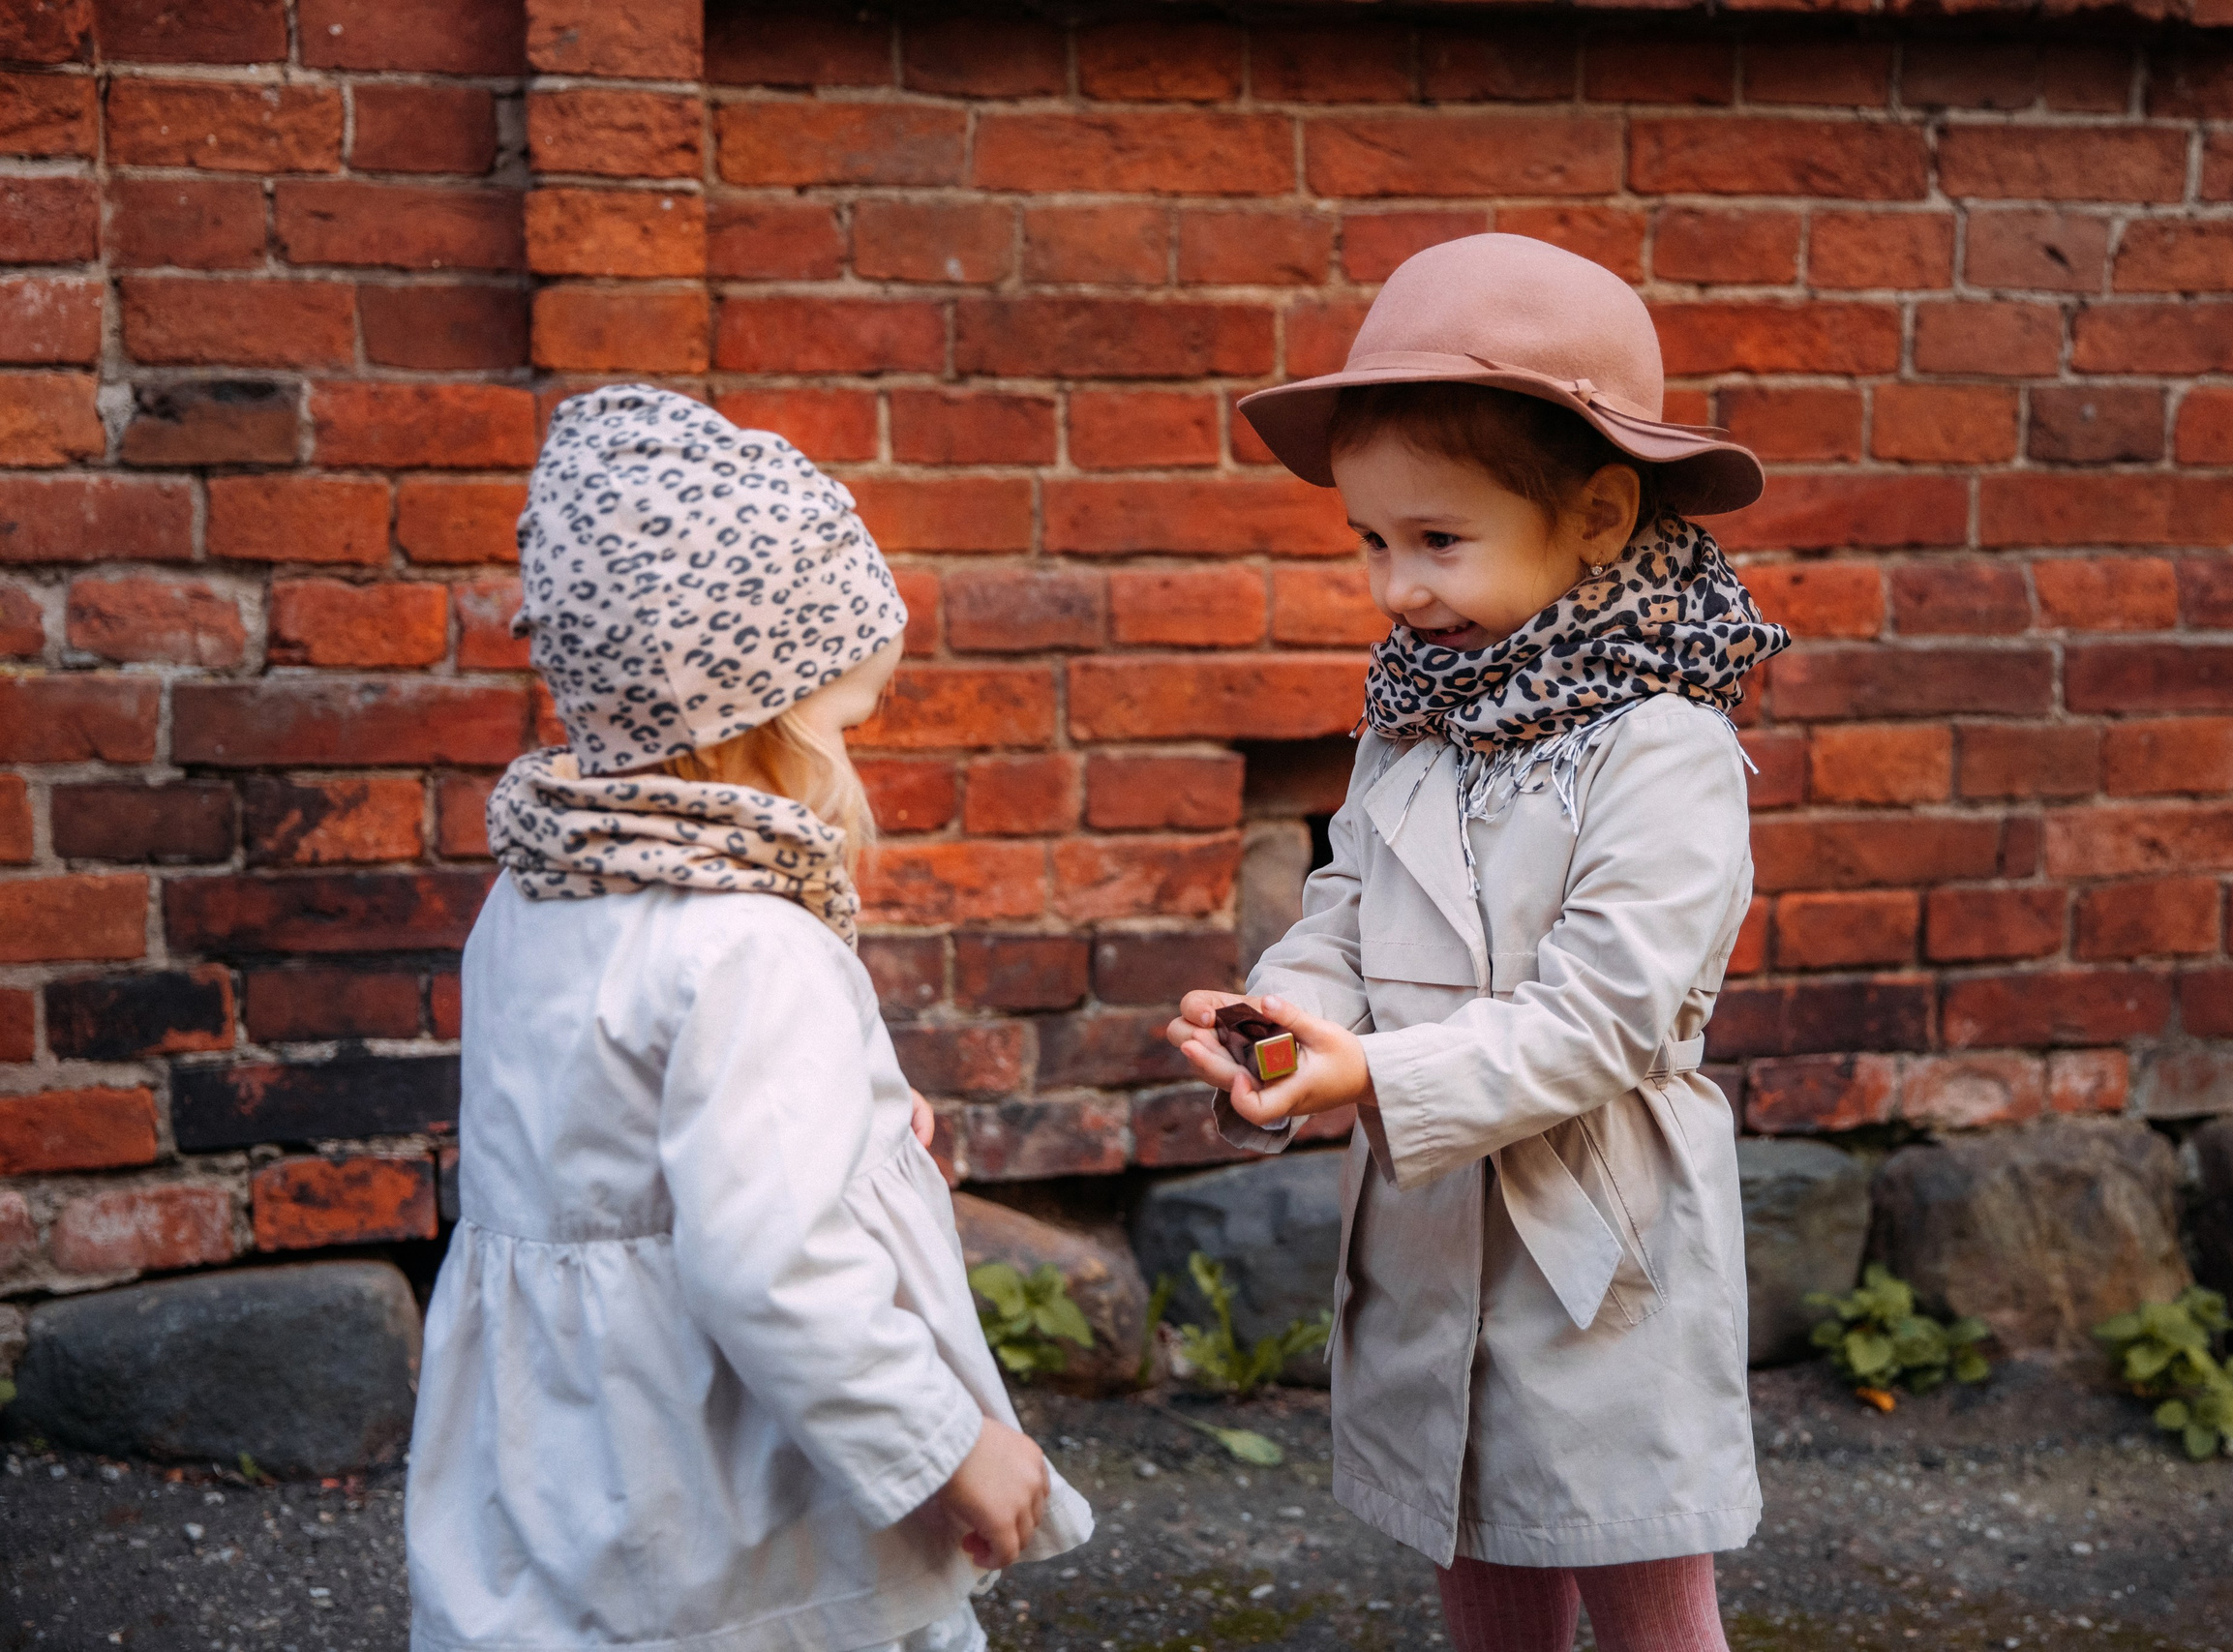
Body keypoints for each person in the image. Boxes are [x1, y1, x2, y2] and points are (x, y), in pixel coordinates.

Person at [1163, 234, 1789, 1652]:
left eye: (1438, 542)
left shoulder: (1662, 746)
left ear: (1601, 516)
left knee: (1634, 1569)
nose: (1397, 591)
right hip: (1435, 1219)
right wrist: (1282, 1018)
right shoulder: (1420, 715)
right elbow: (1348, 908)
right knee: (1472, 1541)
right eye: (1372, 544)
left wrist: (1374, 1079)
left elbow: (1612, 1015)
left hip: (1596, 1227)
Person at [407, 386, 1089, 1652]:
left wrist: (859, 1112)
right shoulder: (753, 945)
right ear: (744, 727)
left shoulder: (532, 895)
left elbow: (609, 1127)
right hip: (728, 1496)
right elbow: (773, 1267)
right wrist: (946, 1444)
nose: (855, 769)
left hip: (560, 1468)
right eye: (842, 722)